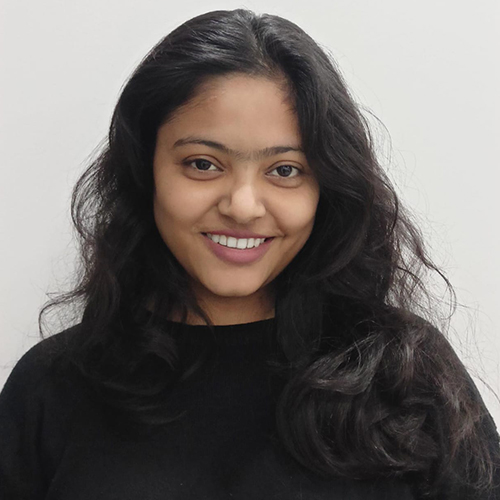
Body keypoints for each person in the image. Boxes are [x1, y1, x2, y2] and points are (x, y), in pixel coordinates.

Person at [0, 8, 498, 500]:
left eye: (285, 170)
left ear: (327, 187)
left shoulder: (406, 376)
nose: (242, 206)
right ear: (144, 171)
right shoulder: (51, 389)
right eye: (202, 164)